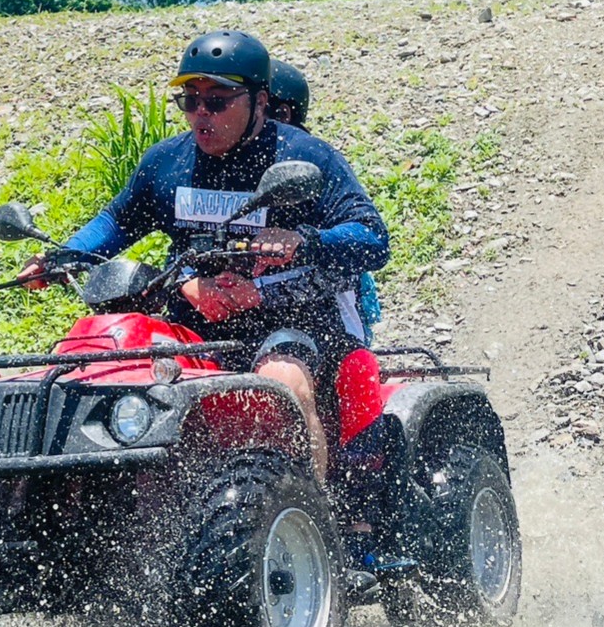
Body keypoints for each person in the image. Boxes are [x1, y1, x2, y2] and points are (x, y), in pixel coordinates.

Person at [31, 30, 390, 480]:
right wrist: (64, 256)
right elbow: (117, 222)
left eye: (218, 101)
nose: (201, 114)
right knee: (106, 374)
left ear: (260, 102)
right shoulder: (167, 161)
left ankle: (302, 522)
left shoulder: (307, 157)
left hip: (290, 324)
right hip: (192, 326)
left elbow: (374, 239)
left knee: (282, 387)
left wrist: (307, 240)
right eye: (190, 100)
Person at [268, 56, 382, 343]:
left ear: (281, 114)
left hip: (326, 316)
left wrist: (306, 242)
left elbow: (371, 239)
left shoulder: (313, 157)